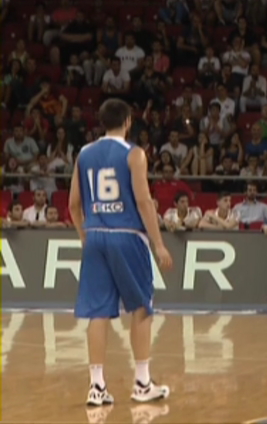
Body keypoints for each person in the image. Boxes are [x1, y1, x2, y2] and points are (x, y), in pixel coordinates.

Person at [68, 98, 173, 406]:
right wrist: (158, 243)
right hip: (127, 235)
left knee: (98, 313)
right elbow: (143, 201)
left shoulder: (84, 154)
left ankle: (96, 387)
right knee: (141, 309)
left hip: (95, 235)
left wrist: (84, 236)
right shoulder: (134, 153)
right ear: (128, 121)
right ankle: (142, 383)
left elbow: (73, 204)